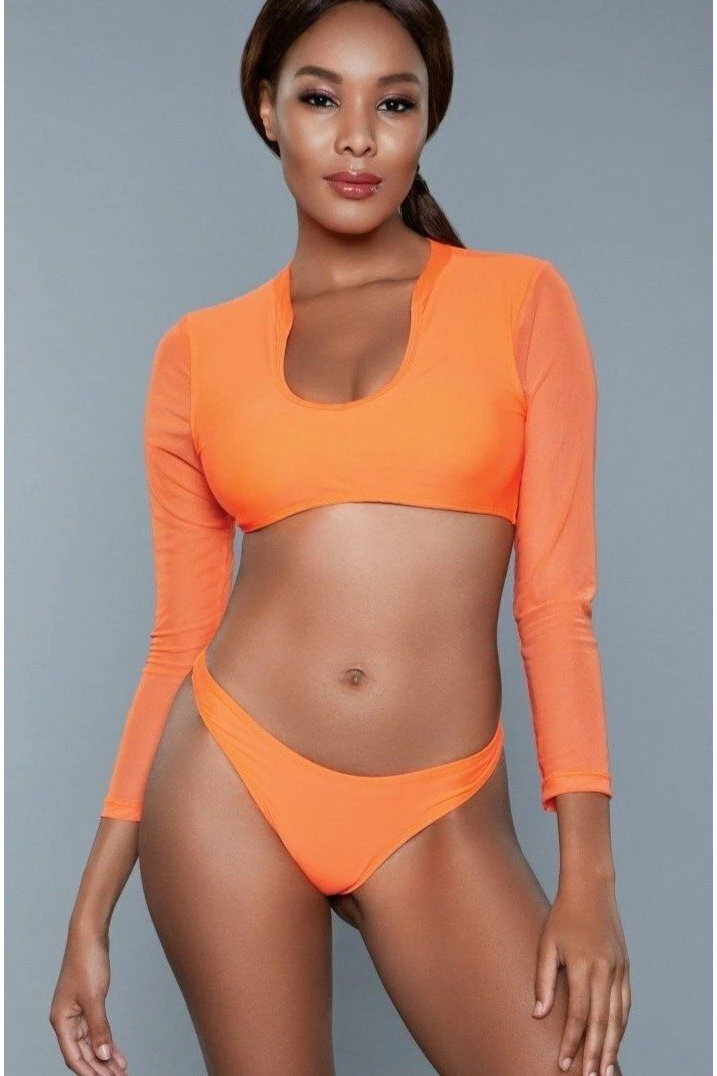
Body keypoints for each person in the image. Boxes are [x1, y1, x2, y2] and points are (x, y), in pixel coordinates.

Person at [49, 1, 631, 1073]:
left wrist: (587, 878)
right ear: (268, 110)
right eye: (321, 98)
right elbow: (178, 637)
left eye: (393, 104)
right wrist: (92, 906)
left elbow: (555, 605)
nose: (357, 136)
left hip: (438, 806)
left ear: (426, 122)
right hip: (231, 780)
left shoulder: (519, 302)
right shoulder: (199, 352)